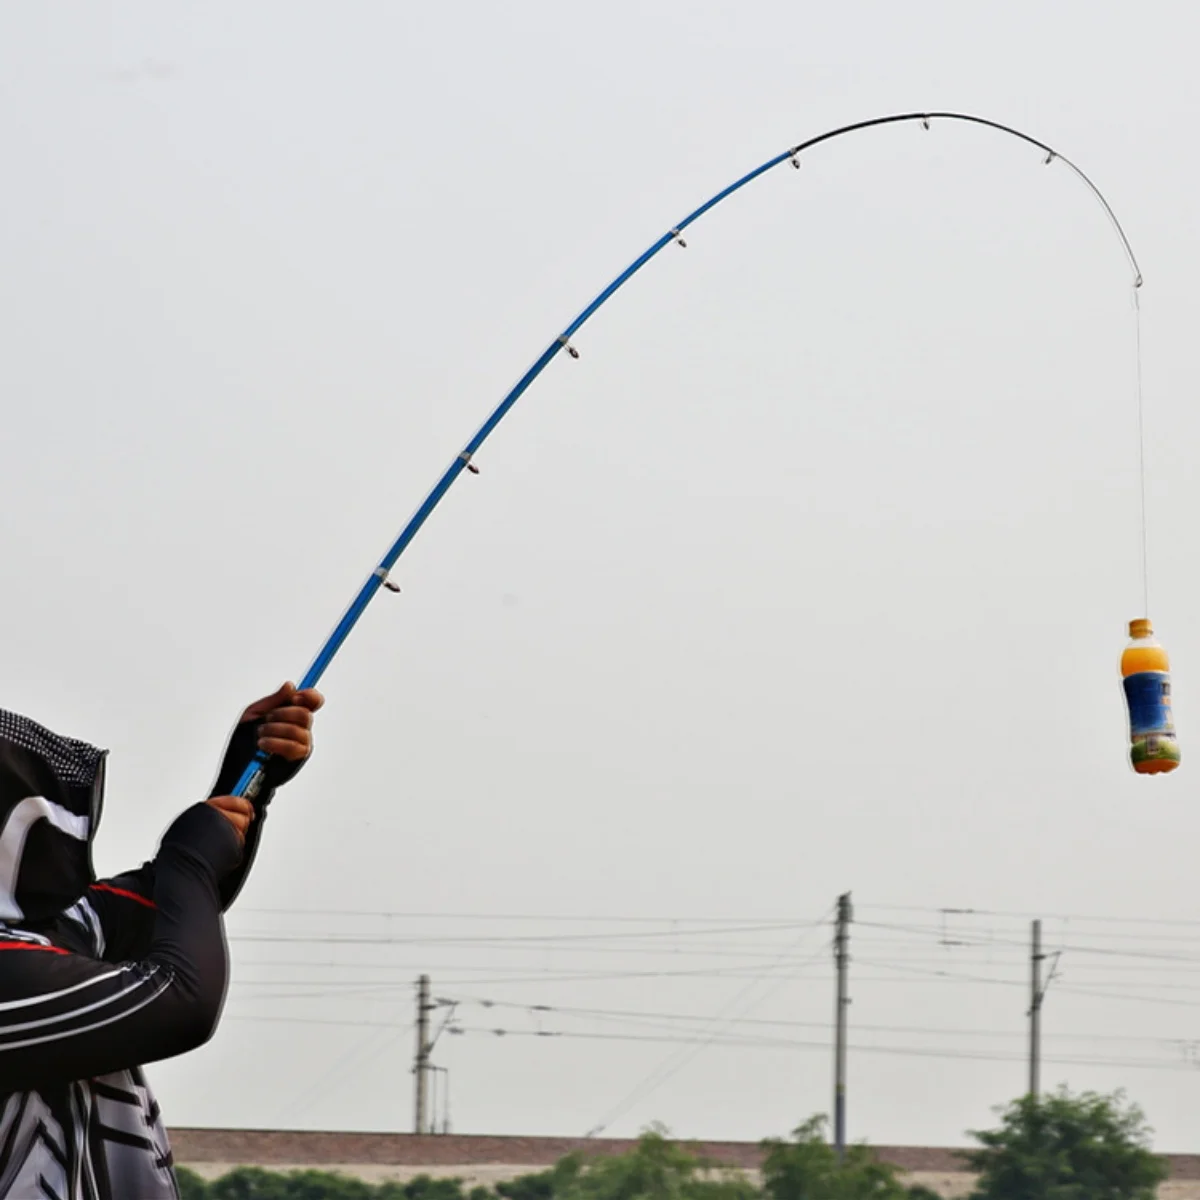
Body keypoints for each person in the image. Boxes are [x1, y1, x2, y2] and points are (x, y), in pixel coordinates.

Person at [0, 683, 323, 1199]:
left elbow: (168, 907)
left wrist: (251, 778)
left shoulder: (42, 930)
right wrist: (191, 858)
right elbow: (182, 998)